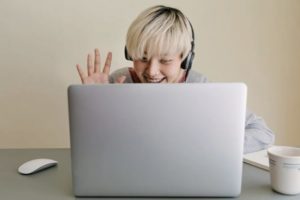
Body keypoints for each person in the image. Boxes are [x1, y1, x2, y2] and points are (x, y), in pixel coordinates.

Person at [76, 5, 275, 153]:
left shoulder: (201, 88)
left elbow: (262, 132)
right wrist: (93, 105)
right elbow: (94, 146)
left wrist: (213, 145)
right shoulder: (116, 82)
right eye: (143, 58)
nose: (152, 71)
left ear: (185, 58)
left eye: (165, 60)